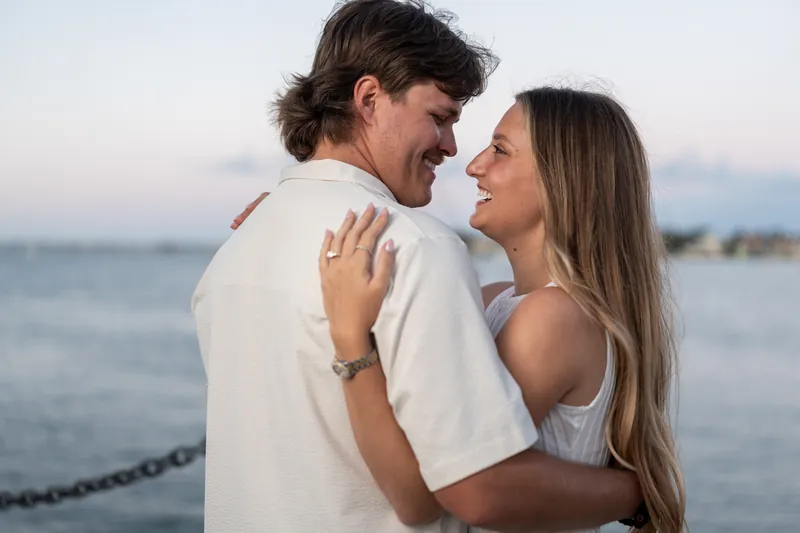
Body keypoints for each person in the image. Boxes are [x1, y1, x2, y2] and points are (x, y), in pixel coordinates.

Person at [193, 1, 643, 532]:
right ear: (368, 99)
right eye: (439, 117)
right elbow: (464, 491)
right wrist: (636, 491)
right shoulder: (413, 247)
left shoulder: (233, 255)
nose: (456, 150)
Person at [307, 87, 688, 533]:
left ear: (561, 179)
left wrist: (351, 341)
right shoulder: (495, 298)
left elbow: (438, 491)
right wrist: (305, 211)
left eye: (500, 150)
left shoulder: (553, 318)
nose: (473, 165)